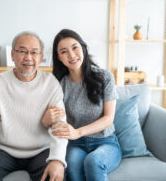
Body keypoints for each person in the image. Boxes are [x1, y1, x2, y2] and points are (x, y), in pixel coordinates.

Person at [0, 31, 68, 181]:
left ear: (41, 57)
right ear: (12, 55)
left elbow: (60, 125)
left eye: (34, 52)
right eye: (22, 51)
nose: (28, 57)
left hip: (41, 151)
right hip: (4, 150)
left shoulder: (51, 83)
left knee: (55, 177)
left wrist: (58, 160)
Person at [41, 29, 122, 181]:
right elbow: (49, 121)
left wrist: (78, 132)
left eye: (75, 47)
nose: (71, 55)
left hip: (105, 141)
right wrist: (46, 119)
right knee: (72, 163)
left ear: (83, 48)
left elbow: (108, 118)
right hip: (75, 145)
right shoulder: (58, 84)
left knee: (93, 161)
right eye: (64, 51)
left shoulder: (104, 77)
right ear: (59, 57)